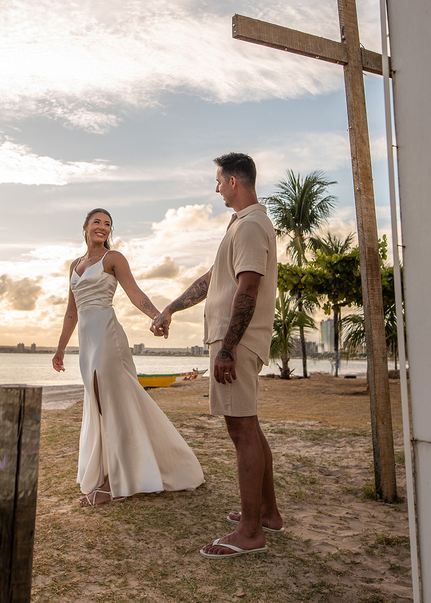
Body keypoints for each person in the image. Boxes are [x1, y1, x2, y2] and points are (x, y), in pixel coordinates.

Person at [152, 152, 282, 558]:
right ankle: (266, 513)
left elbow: (248, 288)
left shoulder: (251, 225)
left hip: (236, 343)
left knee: (240, 429)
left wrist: (227, 347)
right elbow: (213, 280)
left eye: (219, 181)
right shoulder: (241, 225)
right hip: (234, 341)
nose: (216, 188)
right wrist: (171, 306)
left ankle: (250, 532)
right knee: (250, 427)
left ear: (233, 183)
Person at [52, 207, 204, 506]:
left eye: (108, 224)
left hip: (108, 338)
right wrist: (60, 348)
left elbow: (134, 293)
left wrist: (157, 315)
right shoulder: (75, 265)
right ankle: (115, 471)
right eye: (97, 222)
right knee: (99, 406)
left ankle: (113, 482)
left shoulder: (114, 258)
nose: (103, 227)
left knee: (113, 405)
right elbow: (72, 311)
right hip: (87, 342)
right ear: (85, 227)